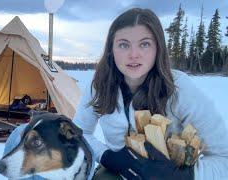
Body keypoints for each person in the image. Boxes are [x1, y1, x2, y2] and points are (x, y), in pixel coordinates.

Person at [73, 8, 228, 180]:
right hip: (118, 174)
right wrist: (107, 156)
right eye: (124, 44)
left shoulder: (179, 88)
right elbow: (79, 132)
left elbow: (223, 156)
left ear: (157, 48)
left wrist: (183, 176)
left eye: (144, 44)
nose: (133, 55)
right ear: (111, 49)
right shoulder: (99, 86)